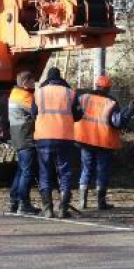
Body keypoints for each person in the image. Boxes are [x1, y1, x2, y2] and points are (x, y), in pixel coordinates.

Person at [75, 75, 134, 211]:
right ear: (108, 88)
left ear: (96, 85)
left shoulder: (83, 98)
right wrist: (129, 110)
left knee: (86, 169)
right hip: (103, 141)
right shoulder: (111, 102)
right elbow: (118, 122)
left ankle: (82, 202)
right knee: (101, 171)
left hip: (85, 140)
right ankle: (100, 203)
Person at [31, 66, 82, 218]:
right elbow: (78, 115)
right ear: (60, 78)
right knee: (64, 172)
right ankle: (63, 209)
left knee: (45, 172)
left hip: (43, 137)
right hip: (64, 138)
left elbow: (33, 113)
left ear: (48, 78)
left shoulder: (39, 93)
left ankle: (47, 209)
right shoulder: (70, 93)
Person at [8, 71, 41, 215]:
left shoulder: (15, 93)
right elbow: (37, 112)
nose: (34, 84)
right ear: (25, 83)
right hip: (26, 136)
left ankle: (14, 201)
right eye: (32, 81)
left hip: (18, 136)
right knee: (27, 172)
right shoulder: (24, 96)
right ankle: (24, 204)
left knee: (21, 170)